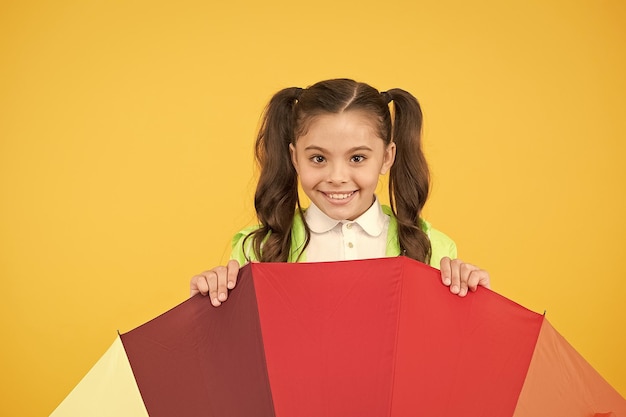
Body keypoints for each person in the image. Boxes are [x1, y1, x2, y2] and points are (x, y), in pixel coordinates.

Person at [191, 78, 490, 306]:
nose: (336, 177)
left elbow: (445, 350)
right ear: (295, 158)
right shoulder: (255, 251)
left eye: (357, 158)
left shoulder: (433, 251)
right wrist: (211, 303)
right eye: (318, 158)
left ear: (386, 157)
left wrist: (473, 300)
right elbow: (234, 352)